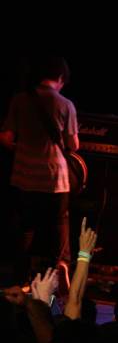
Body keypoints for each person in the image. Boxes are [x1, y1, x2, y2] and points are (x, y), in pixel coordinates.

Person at [1, 57, 79, 287]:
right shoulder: (65, 105)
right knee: (59, 224)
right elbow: (73, 145)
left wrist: (22, 148)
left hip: (24, 177)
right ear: (61, 78)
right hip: (55, 179)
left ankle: (19, 275)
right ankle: (60, 266)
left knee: (25, 228)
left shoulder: (19, 100)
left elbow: (5, 137)